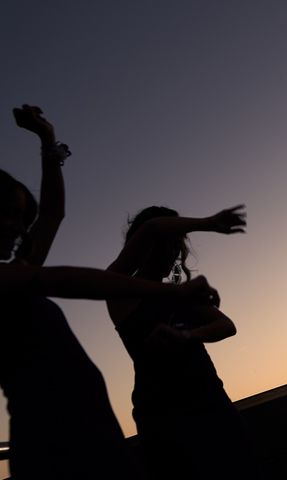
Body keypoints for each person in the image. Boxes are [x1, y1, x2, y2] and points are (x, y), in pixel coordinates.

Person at [0, 105, 217, 479]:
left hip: (91, 431)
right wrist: (168, 294)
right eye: (8, 213)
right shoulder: (12, 279)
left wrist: (48, 140)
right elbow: (67, 280)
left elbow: (52, 213)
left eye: (23, 218)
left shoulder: (16, 273)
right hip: (54, 446)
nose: (21, 229)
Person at [106, 203, 260, 480]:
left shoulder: (180, 292)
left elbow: (226, 325)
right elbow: (153, 227)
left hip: (212, 403)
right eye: (170, 240)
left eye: (179, 241)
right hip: (164, 417)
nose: (176, 249)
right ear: (144, 244)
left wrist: (188, 336)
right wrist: (208, 222)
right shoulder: (119, 292)